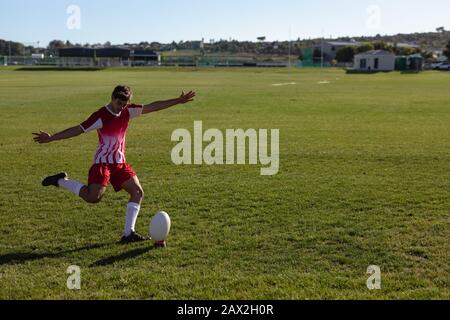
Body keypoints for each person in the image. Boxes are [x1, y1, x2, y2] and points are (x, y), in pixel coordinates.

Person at [33, 85, 196, 247]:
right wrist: (52, 137)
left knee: (137, 192)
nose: (121, 108)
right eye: (118, 103)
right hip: (102, 163)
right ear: (112, 98)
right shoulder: (101, 116)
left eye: (124, 105)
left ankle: (128, 234)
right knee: (93, 197)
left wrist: (178, 100)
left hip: (119, 163)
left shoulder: (127, 111)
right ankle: (61, 180)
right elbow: (78, 129)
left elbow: (152, 106)